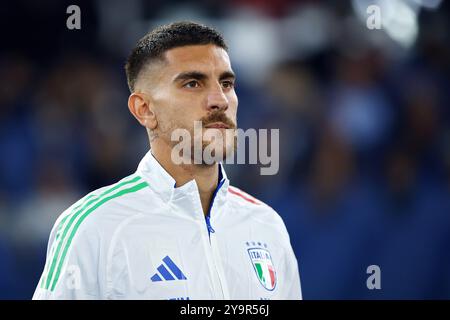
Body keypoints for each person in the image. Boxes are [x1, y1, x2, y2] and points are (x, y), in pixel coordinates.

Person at [32, 21, 301, 300]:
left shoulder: (267, 226)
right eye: (193, 83)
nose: (219, 100)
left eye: (226, 83)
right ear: (145, 109)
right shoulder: (94, 227)